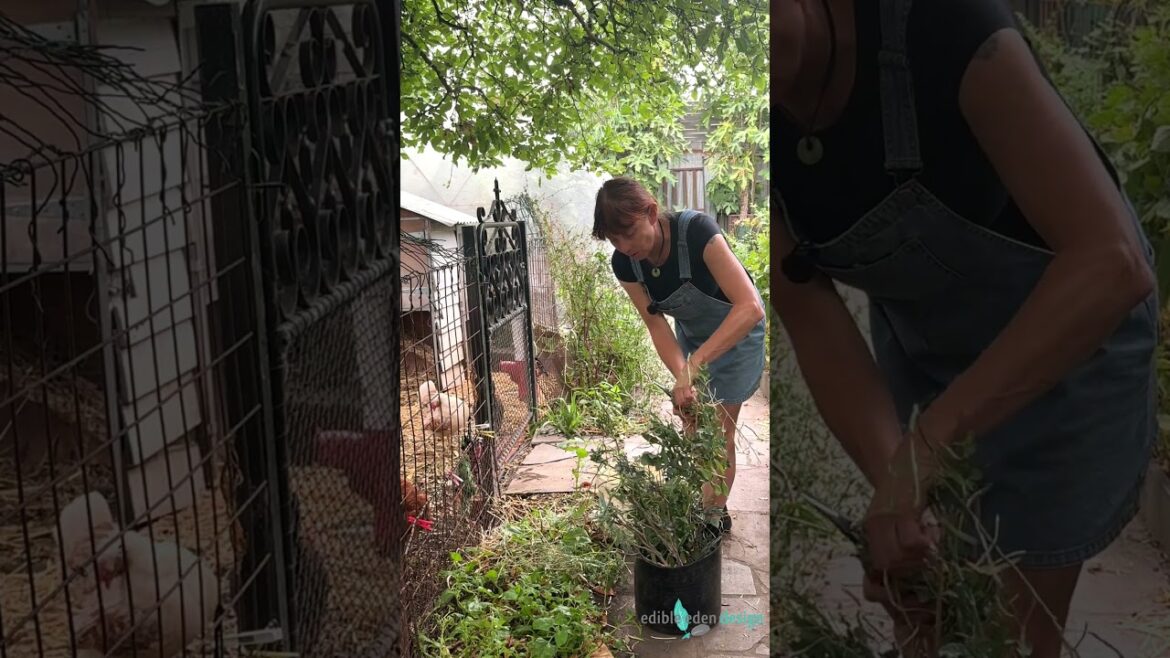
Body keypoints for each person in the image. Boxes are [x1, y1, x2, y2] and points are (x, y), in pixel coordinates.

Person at [772, 0, 1159, 656]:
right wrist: (899, 493)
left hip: (1070, 346)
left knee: (1003, 637)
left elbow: (1111, 262)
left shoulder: (943, 24)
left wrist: (928, 448)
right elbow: (811, 315)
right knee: (927, 616)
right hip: (931, 352)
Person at [592, 177, 767, 535]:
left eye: (629, 232)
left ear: (652, 213)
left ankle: (712, 519)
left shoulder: (698, 232)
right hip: (695, 338)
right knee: (694, 428)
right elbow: (658, 327)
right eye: (614, 239)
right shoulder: (626, 264)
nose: (624, 246)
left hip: (738, 334)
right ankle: (709, 502)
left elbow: (750, 307)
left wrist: (693, 368)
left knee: (717, 435)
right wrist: (682, 377)